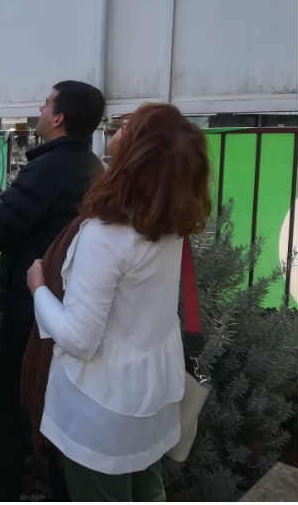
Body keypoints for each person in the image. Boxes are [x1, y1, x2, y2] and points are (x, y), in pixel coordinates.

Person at [25, 103, 212, 501]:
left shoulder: (107, 235)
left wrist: (39, 287)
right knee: (147, 488)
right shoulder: (171, 223)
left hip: (102, 408)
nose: (119, 125)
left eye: (130, 125)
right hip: (155, 393)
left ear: (135, 155)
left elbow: (78, 338)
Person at [0, 80, 106, 502]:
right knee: (53, 414)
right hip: (65, 307)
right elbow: (42, 226)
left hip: (31, 312)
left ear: (58, 118)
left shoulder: (49, 168)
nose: (39, 107)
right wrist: (6, 205)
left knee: (11, 413)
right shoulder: (90, 165)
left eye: (46, 102)